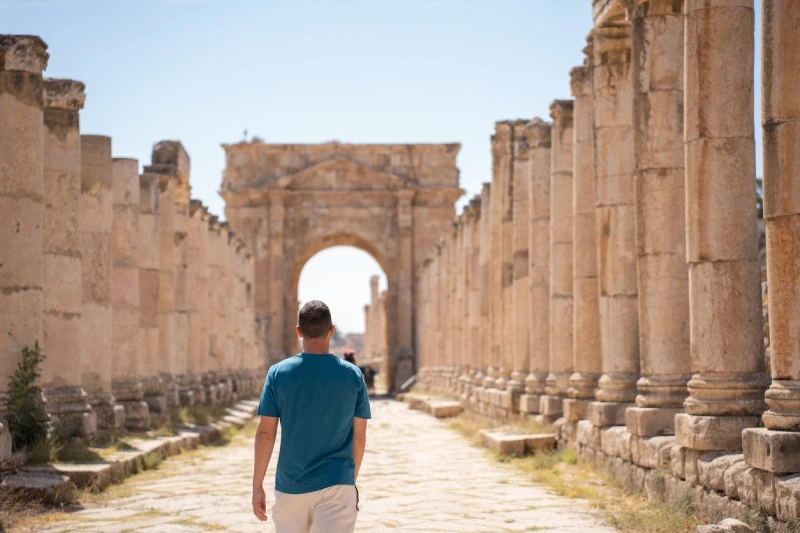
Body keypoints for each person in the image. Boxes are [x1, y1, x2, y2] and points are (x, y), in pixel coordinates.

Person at [252, 300, 371, 533]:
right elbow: (360, 437)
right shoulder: (353, 375)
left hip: (291, 484)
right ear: (331, 330)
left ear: (299, 331)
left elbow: (266, 433)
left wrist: (257, 485)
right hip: (337, 481)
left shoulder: (278, 374)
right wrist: (348, 479)